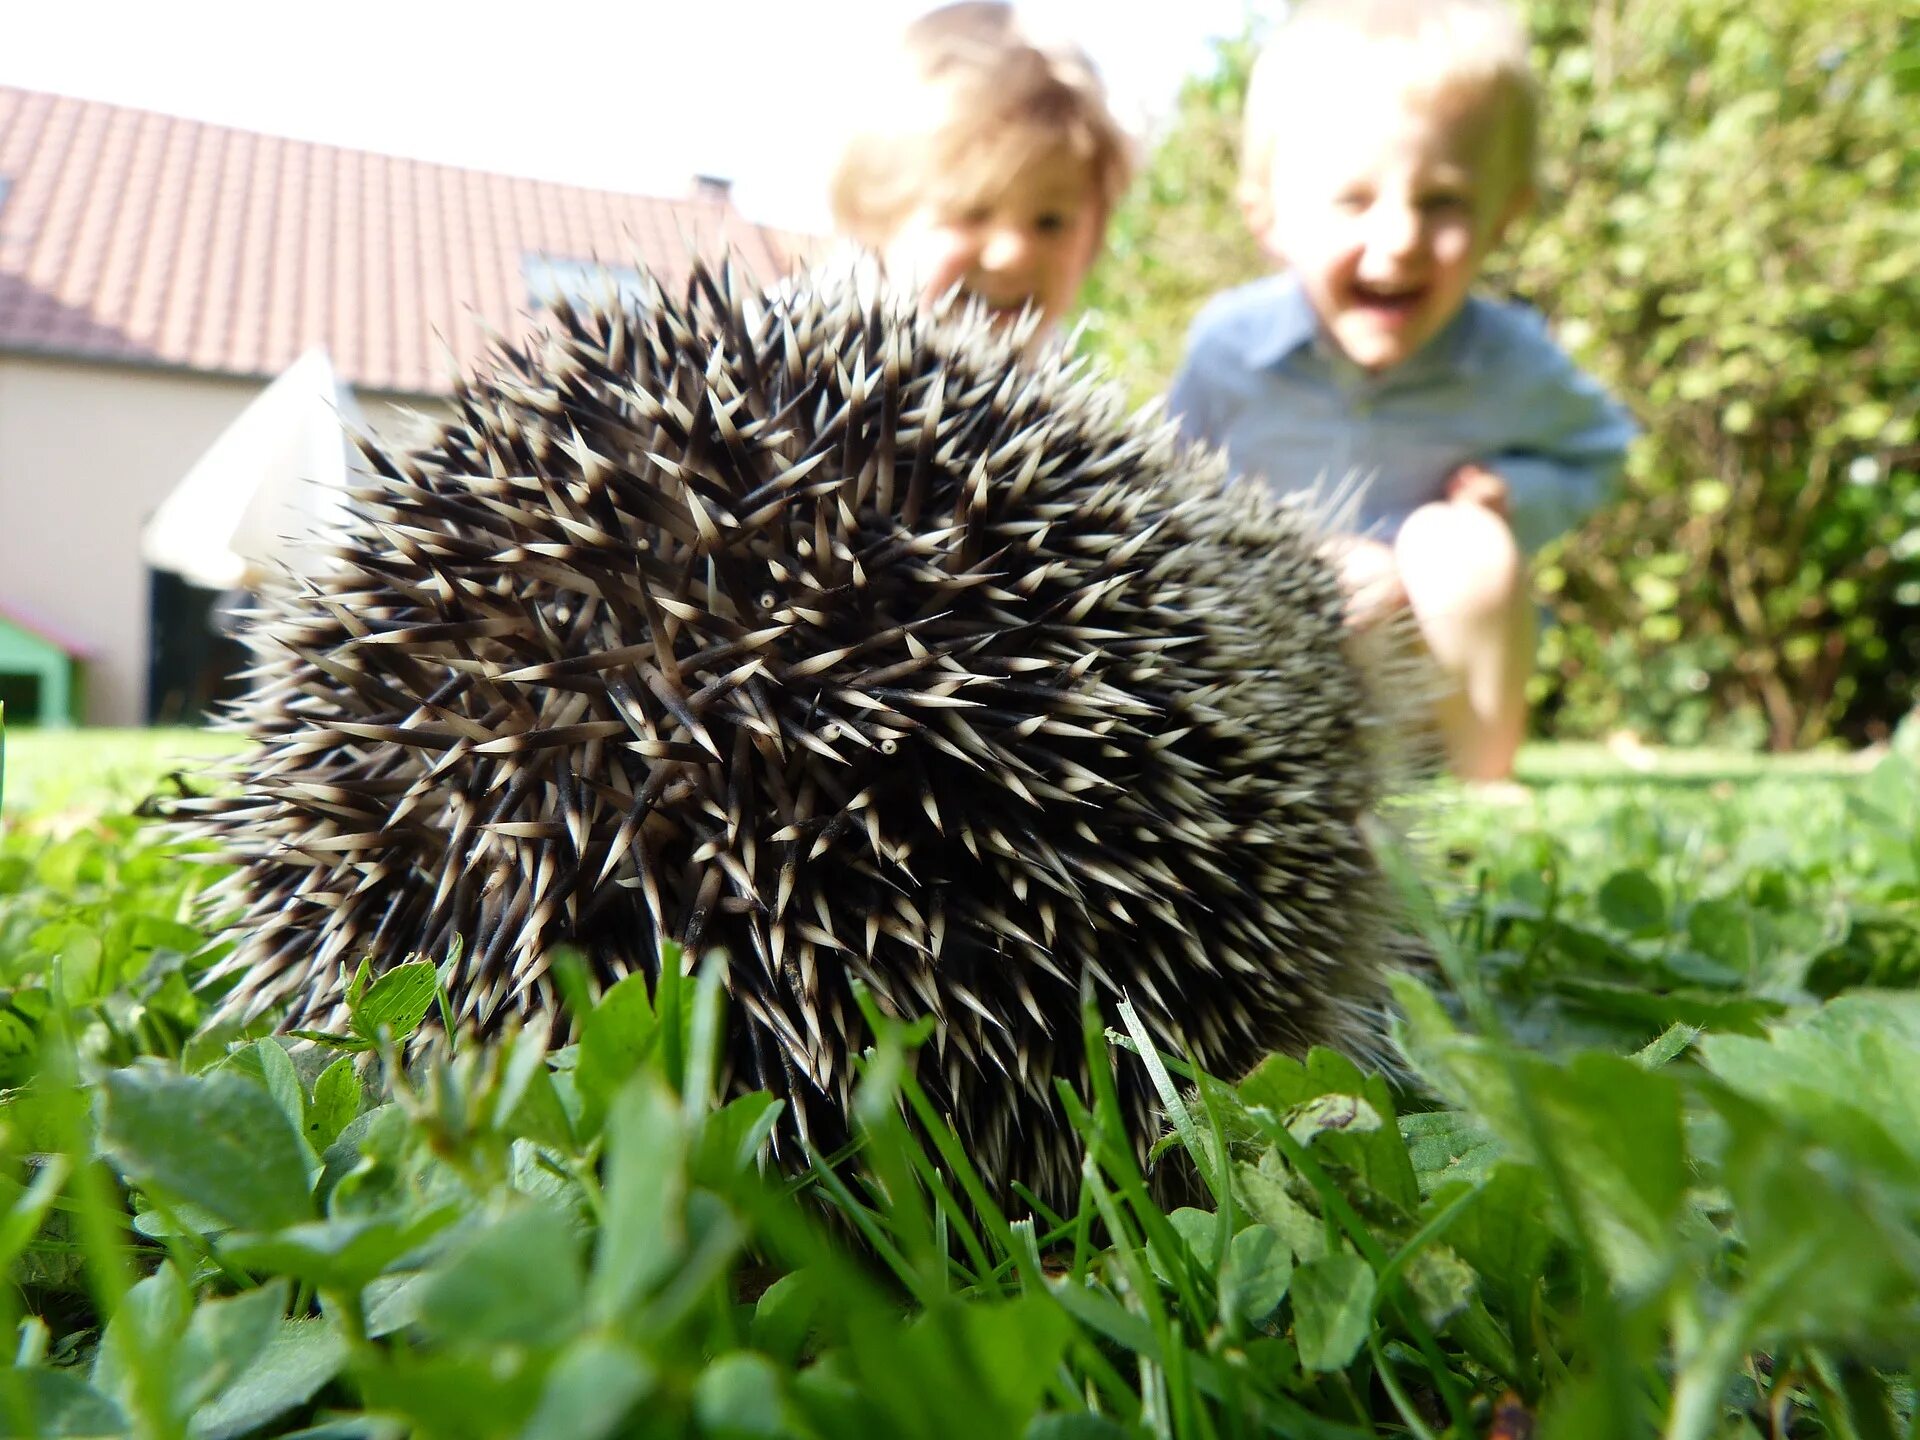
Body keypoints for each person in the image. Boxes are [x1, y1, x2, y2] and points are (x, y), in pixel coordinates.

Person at [1168, 0, 1636, 782]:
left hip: (1436, 661)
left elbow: (1603, 457)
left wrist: (1508, 497)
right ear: (1268, 219)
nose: (1401, 240)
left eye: (1444, 201)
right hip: (1289, 641)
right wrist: (1302, 561)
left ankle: (1482, 781)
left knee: (1458, 548)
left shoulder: (1511, 358)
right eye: (1354, 200)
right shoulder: (1227, 350)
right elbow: (1169, 499)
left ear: (1504, 214)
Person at [826, 1, 1134, 344]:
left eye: (1051, 221)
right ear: (871, 218)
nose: (1012, 254)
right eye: (972, 212)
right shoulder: (783, 350)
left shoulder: (1053, 363)